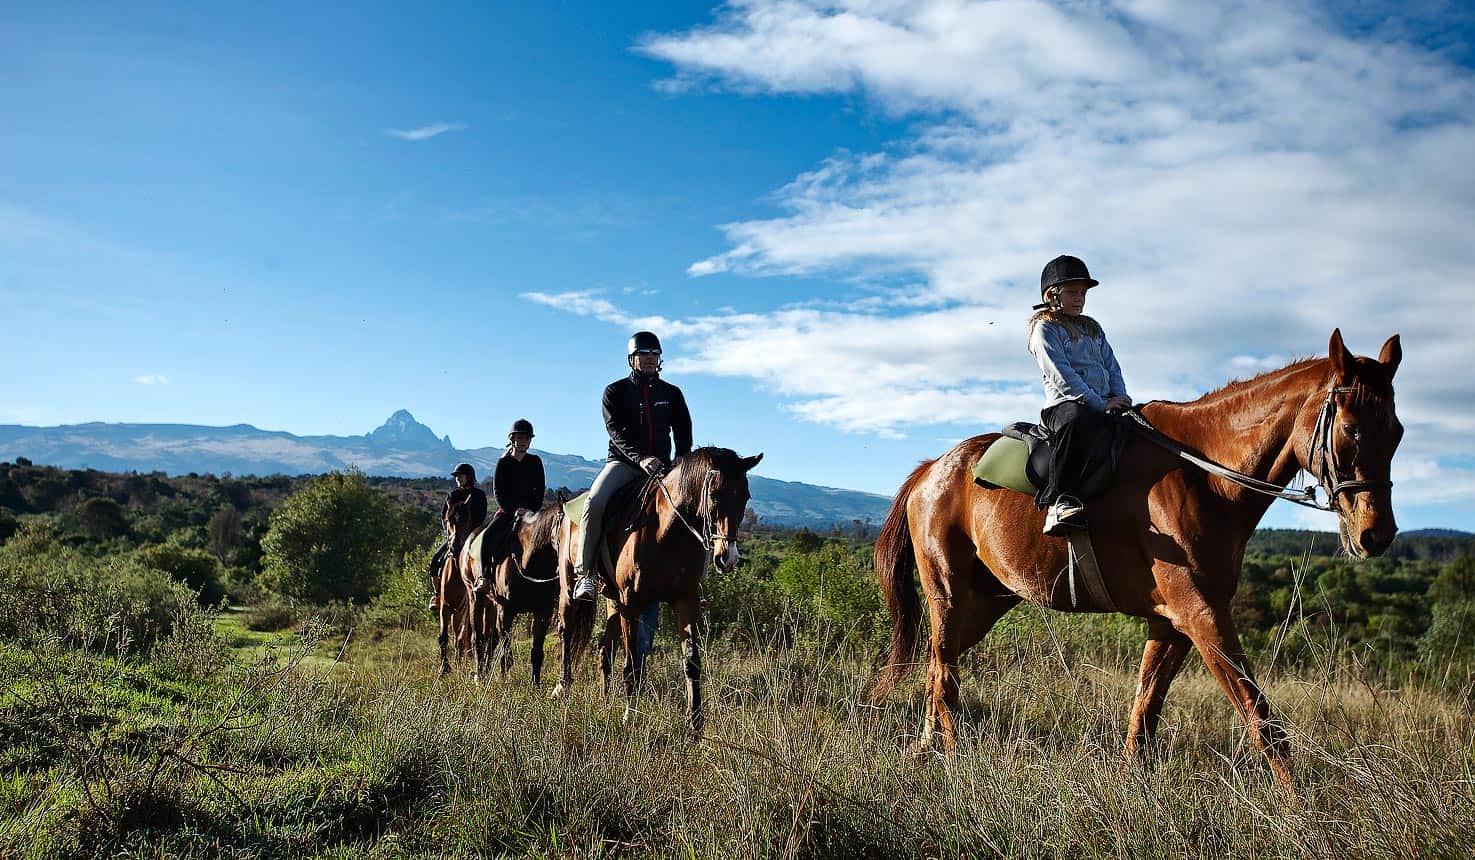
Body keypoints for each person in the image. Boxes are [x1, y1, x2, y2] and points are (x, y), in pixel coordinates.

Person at [570, 331, 693, 602]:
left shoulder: (672, 393)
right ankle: (586, 575)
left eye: (654, 354)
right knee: (595, 501)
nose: (649, 359)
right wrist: (640, 458)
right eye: (643, 354)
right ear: (631, 359)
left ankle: (695, 581)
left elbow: (683, 429)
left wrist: (681, 463)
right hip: (623, 464)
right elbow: (615, 432)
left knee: (694, 508)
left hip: (663, 467)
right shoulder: (615, 391)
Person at [1026, 255, 1131, 536]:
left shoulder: (1093, 328)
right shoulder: (1044, 329)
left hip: (1104, 403)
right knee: (1076, 418)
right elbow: (1063, 378)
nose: (1080, 299)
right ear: (1053, 295)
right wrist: (1100, 403)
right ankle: (1059, 500)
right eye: (1073, 292)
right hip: (1065, 405)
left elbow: (1112, 366)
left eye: (1083, 293)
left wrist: (1120, 398)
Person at [478, 418, 546, 589]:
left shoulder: (535, 462)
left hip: (531, 513)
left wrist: (531, 510)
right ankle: (485, 576)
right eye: (520, 438)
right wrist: (513, 510)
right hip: (508, 512)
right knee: (487, 537)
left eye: (527, 438)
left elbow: (540, 490)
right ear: (512, 439)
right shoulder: (503, 463)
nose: (524, 441)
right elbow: (498, 492)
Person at [427, 462, 488, 609]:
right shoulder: (452, 496)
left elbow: (481, 517)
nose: (458, 478)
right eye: (456, 476)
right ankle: (437, 594)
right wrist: (450, 533)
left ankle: (487, 586)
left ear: (469, 477)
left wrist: (471, 534)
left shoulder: (479, 495)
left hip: (473, 537)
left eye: (461, 476)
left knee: (487, 558)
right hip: (454, 536)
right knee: (435, 561)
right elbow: (444, 517)